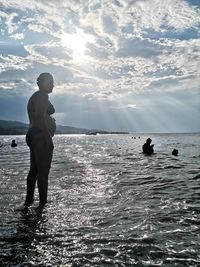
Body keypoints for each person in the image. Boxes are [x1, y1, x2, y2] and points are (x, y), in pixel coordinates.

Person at [25, 73, 56, 207]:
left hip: (33, 134)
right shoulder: (42, 95)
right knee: (43, 173)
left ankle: (29, 202)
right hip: (40, 136)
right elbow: (39, 117)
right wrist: (48, 138)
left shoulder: (37, 96)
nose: (53, 85)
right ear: (42, 83)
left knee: (34, 170)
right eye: (51, 82)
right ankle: (42, 207)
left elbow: (41, 114)